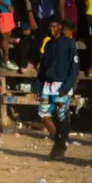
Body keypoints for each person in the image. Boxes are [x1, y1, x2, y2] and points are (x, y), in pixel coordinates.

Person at [35, 16, 80, 160]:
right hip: (47, 86)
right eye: (50, 27)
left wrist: (67, 86)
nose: (52, 30)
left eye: (54, 27)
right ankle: (59, 143)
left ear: (60, 27)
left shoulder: (69, 44)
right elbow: (42, 68)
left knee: (61, 117)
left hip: (62, 85)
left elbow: (74, 68)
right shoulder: (48, 45)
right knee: (43, 114)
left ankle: (59, 148)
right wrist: (38, 87)